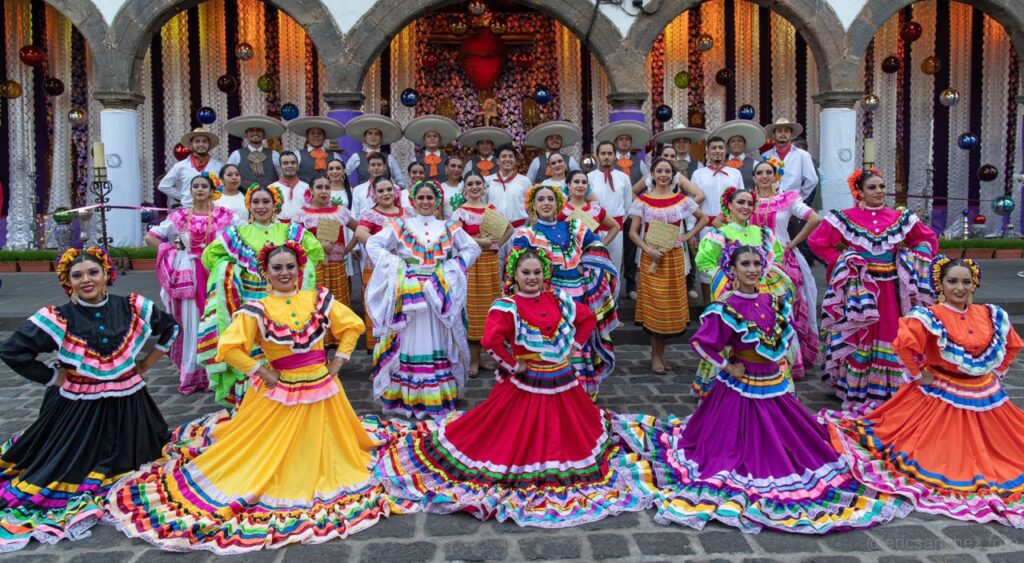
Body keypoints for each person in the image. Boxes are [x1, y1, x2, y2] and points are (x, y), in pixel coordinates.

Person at [107, 243, 408, 553]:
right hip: (280, 392)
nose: (285, 273)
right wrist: (262, 372)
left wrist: (338, 361)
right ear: (266, 272)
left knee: (332, 444)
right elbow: (229, 347)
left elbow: (353, 326)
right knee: (264, 452)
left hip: (322, 388)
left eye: (290, 267)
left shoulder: (317, 297)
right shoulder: (257, 308)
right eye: (277, 268)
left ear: (299, 269)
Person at [619, 244, 910, 534]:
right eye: (745, 264)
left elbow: (780, 340)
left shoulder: (774, 301)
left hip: (774, 384)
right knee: (736, 444)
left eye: (756, 263)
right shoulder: (726, 306)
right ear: (732, 270)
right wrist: (728, 366)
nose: (752, 269)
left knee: (799, 442)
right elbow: (703, 343)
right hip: (740, 387)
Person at [377, 249, 650, 527]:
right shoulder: (507, 306)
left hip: (564, 383)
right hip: (526, 385)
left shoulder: (559, 299)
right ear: (514, 276)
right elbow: (490, 341)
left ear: (545, 274)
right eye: (526, 273)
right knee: (513, 435)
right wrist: (512, 364)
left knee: (570, 433)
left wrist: (574, 346)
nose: (532, 278)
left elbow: (587, 319)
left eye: (536, 272)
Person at [0, 248, 178, 552]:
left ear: (107, 275)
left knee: (140, 458)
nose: (86, 280)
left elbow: (170, 327)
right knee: (68, 463)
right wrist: (54, 378)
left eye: (93, 272)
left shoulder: (132, 307)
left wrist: (147, 364)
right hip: (79, 409)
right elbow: (12, 350)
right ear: (68, 282)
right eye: (77, 275)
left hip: (130, 403)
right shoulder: (58, 318)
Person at [826, 257, 1024, 527]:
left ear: (974, 284)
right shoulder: (930, 316)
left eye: (966, 282)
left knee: (1004, 448)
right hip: (942, 395)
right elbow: (904, 345)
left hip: (986, 396)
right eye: (952, 281)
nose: (960, 287)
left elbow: (1012, 344)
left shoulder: (990, 314)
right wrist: (919, 375)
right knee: (941, 451)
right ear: (940, 285)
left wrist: (997, 371)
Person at [809, 168, 937, 406]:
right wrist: (844, 261)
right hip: (859, 291)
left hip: (893, 290)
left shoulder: (901, 218)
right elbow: (818, 242)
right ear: (859, 192)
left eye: (881, 186)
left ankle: (893, 386)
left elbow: (926, 240)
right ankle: (856, 386)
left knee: (892, 333)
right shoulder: (843, 217)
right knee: (860, 331)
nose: (879, 191)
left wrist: (912, 258)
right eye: (872, 187)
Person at [197, 185, 325, 406]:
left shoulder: (290, 231)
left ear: (275, 204)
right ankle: (252, 406)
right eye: (255, 202)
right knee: (252, 347)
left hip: (283, 302)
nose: (261, 206)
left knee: (281, 348)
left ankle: (287, 404)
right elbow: (210, 257)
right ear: (249, 205)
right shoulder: (237, 233)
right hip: (250, 302)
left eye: (266, 201)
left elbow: (314, 253)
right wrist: (230, 270)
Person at [364, 180, 481, 419]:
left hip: (438, 293)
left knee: (438, 340)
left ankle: (436, 395)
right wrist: (397, 269)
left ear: (438, 201)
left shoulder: (450, 226)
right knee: (407, 340)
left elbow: (472, 248)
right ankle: (405, 397)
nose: (426, 202)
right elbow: (373, 243)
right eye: (421, 198)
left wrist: (451, 269)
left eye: (430, 198)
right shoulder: (400, 225)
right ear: (413, 201)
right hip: (409, 293)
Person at [510, 184, 618, 396]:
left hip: (578, 295)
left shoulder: (574, 227)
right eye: (540, 200)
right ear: (533, 205)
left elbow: (596, 246)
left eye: (550, 199)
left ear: (558, 203)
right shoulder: (526, 234)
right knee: (551, 342)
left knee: (578, 340)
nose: (546, 203)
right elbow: (518, 268)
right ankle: (552, 392)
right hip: (546, 300)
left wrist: (584, 264)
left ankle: (579, 393)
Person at [693, 187, 794, 396]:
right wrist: (729, 280)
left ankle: (772, 383)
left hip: (763, 296)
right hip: (734, 296)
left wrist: (765, 276)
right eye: (740, 202)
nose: (745, 207)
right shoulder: (719, 234)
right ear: (729, 205)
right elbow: (704, 261)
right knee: (734, 339)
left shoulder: (764, 233)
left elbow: (778, 257)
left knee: (767, 338)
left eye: (749, 203)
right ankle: (726, 385)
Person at [146, 172, 237, 394]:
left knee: (214, 320)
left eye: (204, 186)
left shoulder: (224, 216)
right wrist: (174, 247)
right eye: (195, 186)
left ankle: (214, 371)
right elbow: (152, 237)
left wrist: (224, 254)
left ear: (212, 190)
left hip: (212, 272)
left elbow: (238, 237)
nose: (199, 190)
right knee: (189, 321)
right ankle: (190, 371)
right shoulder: (179, 217)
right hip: (188, 275)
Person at [628, 158, 708, 375]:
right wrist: (647, 249)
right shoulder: (643, 200)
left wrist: (688, 235)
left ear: (672, 175)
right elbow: (633, 232)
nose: (663, 174)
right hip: (651, 258)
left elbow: (703, 219)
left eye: (667, 171)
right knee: (656, 305)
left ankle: (662, 355)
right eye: (659, 171)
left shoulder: (681, 200)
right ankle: (655, 356)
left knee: (669, 308)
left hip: (673, 257)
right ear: (652, 174)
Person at [749, 158, 822, 373]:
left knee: (785, 310)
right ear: (754, 178)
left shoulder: (787, 198)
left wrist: (793, 242)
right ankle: (759, 355)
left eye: (768, 172)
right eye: (760, 173)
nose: (764, 176)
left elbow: (814, 218)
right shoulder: (748, 199)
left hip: (781, 258)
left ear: (776, 176)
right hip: (752, 259)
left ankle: (789, 360)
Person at [451, 172, 513, 378]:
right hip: (470, 264)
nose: (475, 186)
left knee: (490, 309)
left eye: (478, 183)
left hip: (489, 263)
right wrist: (480, 242)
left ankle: (489, 357)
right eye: (470, 184)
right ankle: (474, 360)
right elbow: (456, 236)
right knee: (472, 311)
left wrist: (496, 245)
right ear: (464, 189)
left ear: (484, 187)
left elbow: (510, 229)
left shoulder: (491, 210)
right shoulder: (459, 211)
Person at [354, 178, 407, 354]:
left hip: (402, 270)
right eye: (381, 191)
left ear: (395, 191)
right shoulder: (370, 214)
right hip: (377, 270)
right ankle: (379, 361)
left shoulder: (406, 214)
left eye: (389, 189)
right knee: (378, 313)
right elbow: (360, 233)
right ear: (374, 194)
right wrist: (383, 249)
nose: (386, 194)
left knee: (402, 312)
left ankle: (401, 359)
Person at [690, 137, 745, 302]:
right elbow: (693, 204)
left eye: (720, 147)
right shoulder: (698, 174)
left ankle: (730, 309)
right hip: (707, 228)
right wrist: (692, 231)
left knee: (733, 267)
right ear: (707, 151)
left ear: (725, 150)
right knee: (707, 271)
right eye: (713, 148)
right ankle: (708, 309)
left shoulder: (735, 173)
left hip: (731, 228)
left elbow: (743, 201)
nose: (717, 151)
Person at [293, 174, 359, 308]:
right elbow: (294, 241)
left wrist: (349, 248)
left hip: (337, 266)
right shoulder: (302, 214)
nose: (323, 191)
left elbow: (359, 229)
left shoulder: (340, 211)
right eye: (319, 187)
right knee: (316, 303)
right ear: (311, 191)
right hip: (313, 267)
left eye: (327, 188)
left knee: (337, 304)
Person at [588, 141, 632, 289]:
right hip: (594, 230)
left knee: (614, 267)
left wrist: (616, 225)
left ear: (614, 156)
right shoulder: (589, 178)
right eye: (603, 153)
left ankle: (615, 306)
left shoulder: (623, 178)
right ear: (597, 156)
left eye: (609, 153)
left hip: (616, 231)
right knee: (594, 267)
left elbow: (627, 205)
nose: (606, 157)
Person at [158, 127, 224, 207]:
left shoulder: (219, 166)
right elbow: (164, 185)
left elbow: (225, 188)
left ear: (209, 145)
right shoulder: (181, 166)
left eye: (204, 141)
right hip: (188, 210)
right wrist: (184, 196)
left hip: (212, 210)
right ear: (191, 145)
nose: (201, 144)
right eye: (197, 141)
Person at [760, 118, 817, 200]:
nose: (783, 134)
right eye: (779, 131)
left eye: (786, 131)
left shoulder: (802, 155)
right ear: (774, 134)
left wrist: (800, 197)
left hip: (794, 201)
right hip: (771, 200)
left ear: (791, 134)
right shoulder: (765, 156)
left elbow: (812, 180)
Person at [344, 113, 406, 187]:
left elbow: (401, 182)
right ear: (365, 137)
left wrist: (393, 190)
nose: (373, 136)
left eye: (376, 134)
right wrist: (352, 189)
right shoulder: (357, 157)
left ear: (380, 138)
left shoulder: (389, 158)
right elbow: (343, 175)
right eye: (370, 133)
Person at [561, 170, 622, 245]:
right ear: (569, 185)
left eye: (584, 182)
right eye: (576, 182)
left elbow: (615, 227)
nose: (580, 185)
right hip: (567, 254)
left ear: (588, 186)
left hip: (592, 254)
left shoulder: (595, 210)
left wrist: (601, 245)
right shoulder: (561, 209)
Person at [225, 115, 285, 188]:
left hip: (269, 196)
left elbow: (283, 177)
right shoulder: (236, 154)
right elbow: (228, 177)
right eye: (251, 130)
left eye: (258, 130)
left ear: (263, 134)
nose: (255, 133)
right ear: (246, 134)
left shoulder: (274, 155)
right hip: (243, 196)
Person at [485, 144, 531, 230]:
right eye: (503, 156)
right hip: (494, 231)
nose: (507, 159)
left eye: (511, 156)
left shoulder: (525, 181)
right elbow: (482, 205)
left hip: (518, 230)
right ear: (498, 161)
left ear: (515, 160)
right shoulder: (488, 181)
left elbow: (530, 208)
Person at [287, 116, 345, 183]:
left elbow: (342, 177)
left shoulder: (335, 156)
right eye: (312, 133)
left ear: (324, 137)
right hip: (304, 192)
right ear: (307, 137)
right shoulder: (297, 154)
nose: (316, 135)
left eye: (319, 133)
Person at [712, 119, 766, 190]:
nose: (736, 143)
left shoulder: (755, 165)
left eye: (739, 141)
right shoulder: (719, 164)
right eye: (733, 141)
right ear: (728, 146)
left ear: (744, 144)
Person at [405, 114, 460, 183]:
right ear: (424, 140)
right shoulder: (416, 159)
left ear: (440, 140)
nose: (432, 138)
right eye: (428, 136)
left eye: (435, 136)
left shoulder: (448, 159)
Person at [270, 151, 310, 222]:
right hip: (278, 228)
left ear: (297, 167)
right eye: (285, 163)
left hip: (302, 229)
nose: (289, 165)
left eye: (293, 163)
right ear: (280, 168)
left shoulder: (307, 188)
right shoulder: (271, 188)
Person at [351, 153, 390, 219]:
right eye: (373, 165)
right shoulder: (358, 190)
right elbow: (354, 214)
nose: (376, 168)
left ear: (385, 167)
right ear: (368, 168)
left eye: (379, 165)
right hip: (363, 227)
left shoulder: (393, 188)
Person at [439, 154, 465, 220]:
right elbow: (439, 213)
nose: (456, 169)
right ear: (446, 168)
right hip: (446, 227)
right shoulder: (440, 188)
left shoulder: (466, 186)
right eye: (453, 166)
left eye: (459, 167)